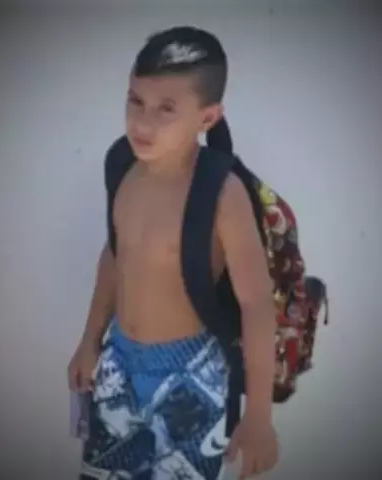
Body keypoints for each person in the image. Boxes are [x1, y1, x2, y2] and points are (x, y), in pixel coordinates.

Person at [68, 26, 278, 480]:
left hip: (192, 377)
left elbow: (257, 304)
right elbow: (117, 253)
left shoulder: (222, 193)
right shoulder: (122, 165)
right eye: (135, 101)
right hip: (119, 362)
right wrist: (90, 340)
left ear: (207, 117)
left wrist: (259, 416)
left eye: (166, 109)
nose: (143, 123)